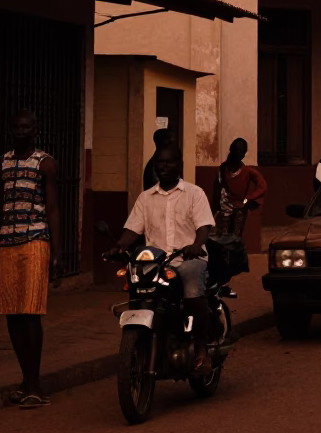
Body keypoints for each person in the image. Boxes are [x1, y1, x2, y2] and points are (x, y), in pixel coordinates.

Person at [109, 142, 214, 374]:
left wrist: (196, 245)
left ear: (179, 165)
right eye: (159, 162)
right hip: (154, 264)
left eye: (168, 162)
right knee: (136, 290)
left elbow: (204, 226)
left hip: (186, 260)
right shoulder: (146, 198)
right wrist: (118, 246)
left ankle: (201, 346)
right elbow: (132, 231)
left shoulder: (194, 194)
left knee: (192, 291)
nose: (163, 166)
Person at [0, 109, 61, 409]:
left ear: (35, 129)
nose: (21, 131)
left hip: (36, 242)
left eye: (26, 126)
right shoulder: (3, 162)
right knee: (13, 314)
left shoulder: (45, 163)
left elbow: (52, 209)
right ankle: (25, 380)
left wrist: (56, 253)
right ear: (11, 129)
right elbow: (1, 203)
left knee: (31, 312)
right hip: (7, 243)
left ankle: (35, 385)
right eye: (16, 126)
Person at [212, 138, 267, 238]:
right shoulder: (223, 169)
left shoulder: (247, 171)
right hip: (224, 209)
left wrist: (249, 197)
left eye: (240, 152)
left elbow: (262, 185)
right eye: (235, 151)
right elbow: (217, 189)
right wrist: (214, 209)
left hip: (239, 210)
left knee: (235, 238)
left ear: (243, 154)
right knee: (223, 239)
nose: (237, 154)